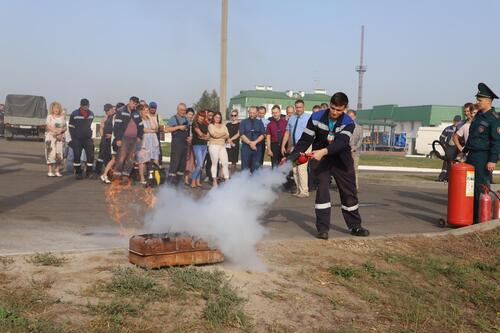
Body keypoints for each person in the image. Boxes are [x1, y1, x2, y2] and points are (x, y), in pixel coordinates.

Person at [285, 92, 369, 239]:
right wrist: (291, 158)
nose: (335, 112)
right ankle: (322, 229)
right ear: (329, 105)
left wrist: (323, 151)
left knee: (349, 193)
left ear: (345, 108)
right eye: (333, 108)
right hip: (321, 160)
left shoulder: (348, 122)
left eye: (339, 110)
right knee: (322, 191)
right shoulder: (316, 117)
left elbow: (341, 142)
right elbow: (305, 140)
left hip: (341, 159)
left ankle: (355, 226)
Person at [465, 83, 499, 223]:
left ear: (488, 101)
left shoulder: (494, 118)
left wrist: (492, 160)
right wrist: (463, 152)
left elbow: (497, 141)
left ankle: (480, 220)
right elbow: (472, 136)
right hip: (471, 155)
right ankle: (470, 217)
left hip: (483, 157)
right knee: (469, 188)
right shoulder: (478, 116)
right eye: (477, 99)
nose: (477, 102)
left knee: (480, 188)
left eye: (480, 100)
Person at [281, 99, 312, 197]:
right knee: (294, 169)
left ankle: (304, 191)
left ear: (304, 107)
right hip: (294, 147)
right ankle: (299, 190)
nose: (298, 109)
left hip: (305, 146)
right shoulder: (292, 118)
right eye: (297, 107)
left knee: (301, 169)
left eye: (300, 107)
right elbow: (287, 132)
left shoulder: (309, 118)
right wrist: (284, 145)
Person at [113, 96, 143, 183]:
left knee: (131, 158)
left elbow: (141, 126)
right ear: (129, 102)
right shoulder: (121, 111)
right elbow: (117, 127)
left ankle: (125, 176)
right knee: (121, 157)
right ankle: (117, 176)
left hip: (134, 139)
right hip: (124, 138)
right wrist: (118, 139)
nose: (134, 105)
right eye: (133, 103)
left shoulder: (137, 113)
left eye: (136, 104)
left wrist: (140, 137)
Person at [68, 98, 95, 179]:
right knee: (77, 156)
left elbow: (89, 125)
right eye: (84, 106)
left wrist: (89, 134)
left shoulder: (91, 114)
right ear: (80, 105)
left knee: (90, 156)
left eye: (87, 105)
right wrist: (74, 138)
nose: (85, 107)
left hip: (87, 139)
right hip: (77, 139)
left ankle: (89, 172)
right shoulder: (74, 113)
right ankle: (78, 172)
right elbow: (71, 127)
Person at [165, 103, 189, 185]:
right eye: (182, 110)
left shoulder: (186, 119)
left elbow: (189, 131)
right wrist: (178, 127)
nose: (183, 112)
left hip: (185, 144)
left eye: (184, 110)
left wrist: (190, 137)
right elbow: (167, 129)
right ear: (177, 110)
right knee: (175, 163)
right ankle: (169, 183)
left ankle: (177, 183)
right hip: (176, 144)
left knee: (182, 165)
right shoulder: (173, 118)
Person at [239, 106, 266, 173]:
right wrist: (250, 143)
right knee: (245, 168)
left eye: (254, 113)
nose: (252, 114)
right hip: (246, 148)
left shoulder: (260, 123)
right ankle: (244, 182)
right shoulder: (243, 122)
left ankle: (254, 183)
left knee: (256, 168)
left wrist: (255, 142)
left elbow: (263, 134)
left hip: (257, 147)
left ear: (257, 113)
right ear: (248, 112)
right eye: (250, 113)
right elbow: (242, 134)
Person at [436, 115, 462, 182]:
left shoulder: (461, 129)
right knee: (446, 162)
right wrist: (443, 145)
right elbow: (442, 137)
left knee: (456, 162)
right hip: (449, 148)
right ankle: (442, 176)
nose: (456, 122)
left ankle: (452, 177)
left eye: (458, 121)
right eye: (455, 121)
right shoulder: (448, 128)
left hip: (457, 148)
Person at [208, 111, 230, 187]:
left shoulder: (224, 126)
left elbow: (227, 135)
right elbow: (214, 135)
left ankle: (227, 180)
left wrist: (219, 135)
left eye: (219, 117)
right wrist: (222, 134)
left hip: (222, 146)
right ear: (213, 117)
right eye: (216, 117)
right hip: (213, 146)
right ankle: (214, 181)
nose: (217, 118)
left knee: (225, 163)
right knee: (214, 163)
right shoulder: (211, 125)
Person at [45, 101, 66, 177]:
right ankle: (50, 171)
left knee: (59, 153)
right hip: (50, 137)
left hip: (59, 138)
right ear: (52, 109)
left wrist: (61, 132)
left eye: (57, 108)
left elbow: (65, 127)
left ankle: (57, 171)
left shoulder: (62, 117)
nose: (56, 109)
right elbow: (48, 126)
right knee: (50, 153)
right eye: (54, 108)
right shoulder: (49, 116)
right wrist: (56, 132)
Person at [95, 103, 115, 181]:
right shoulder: (105, 118)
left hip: (112, 140)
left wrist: (112, 135)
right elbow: (101, 129)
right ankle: (99, 172)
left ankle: (109, 173)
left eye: (108, 110)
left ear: (112, 109)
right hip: (105, 140)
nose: (106, 112)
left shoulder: (115, 117)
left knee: (111, 157)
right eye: (106, 111)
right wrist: (102, 132)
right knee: (102, 156)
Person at [191, 111, 210, 188]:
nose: (201, 117)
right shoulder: (194, 124)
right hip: (197, 145)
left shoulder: (206, 124)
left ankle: (197, 181)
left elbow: (208, 136)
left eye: (203, 116)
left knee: (201, 165)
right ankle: (193, 180)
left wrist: (203, 137)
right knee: (200, 164)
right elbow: (199, 134)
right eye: (200, 116)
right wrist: (204, 136)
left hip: (204, 145)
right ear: (197, 116)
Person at [347, 110, 363, 190]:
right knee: (345, 169)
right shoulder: (343, 127)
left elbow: (360, 140)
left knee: (355, 170)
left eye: (352, 116)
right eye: (348, 116)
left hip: (355, 152)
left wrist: (354, 148)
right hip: (345, 150)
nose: (350, 118)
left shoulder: (359, 128)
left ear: (355, 117)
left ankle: (355, 186)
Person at [226, 110, 240, 176]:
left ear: (237, 116)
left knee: (233, 162)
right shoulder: (228, 124)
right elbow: (225, 133)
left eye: (235, 115)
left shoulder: (240, 124)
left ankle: (232, 176)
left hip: (235, 144)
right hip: (227, 144)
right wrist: (228, 139)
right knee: (225, 160)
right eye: (232, 115)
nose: (233, 117)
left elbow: (238, 134)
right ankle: (225, 175)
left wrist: (230, 140)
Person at [184, 108, 196, 186]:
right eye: (189, 114)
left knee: (190, 162)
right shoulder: (184, 122)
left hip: (192, 144)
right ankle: (183, 178)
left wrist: (193, 138)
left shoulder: (194, 124)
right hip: (184, 144)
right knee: (184, 162)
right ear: (186, 114)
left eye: (192, 115)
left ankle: (187, 179)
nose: (190, 116)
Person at [204, 110, 215, 183]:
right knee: (202, 161)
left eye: (212, 115)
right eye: (209, 115)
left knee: (210, 161)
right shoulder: (204, 123)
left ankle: (210, 176)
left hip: (211, 144)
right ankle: (204, 176)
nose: (210, 117)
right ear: (207, 115)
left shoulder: (214, 123)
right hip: (203, 144)